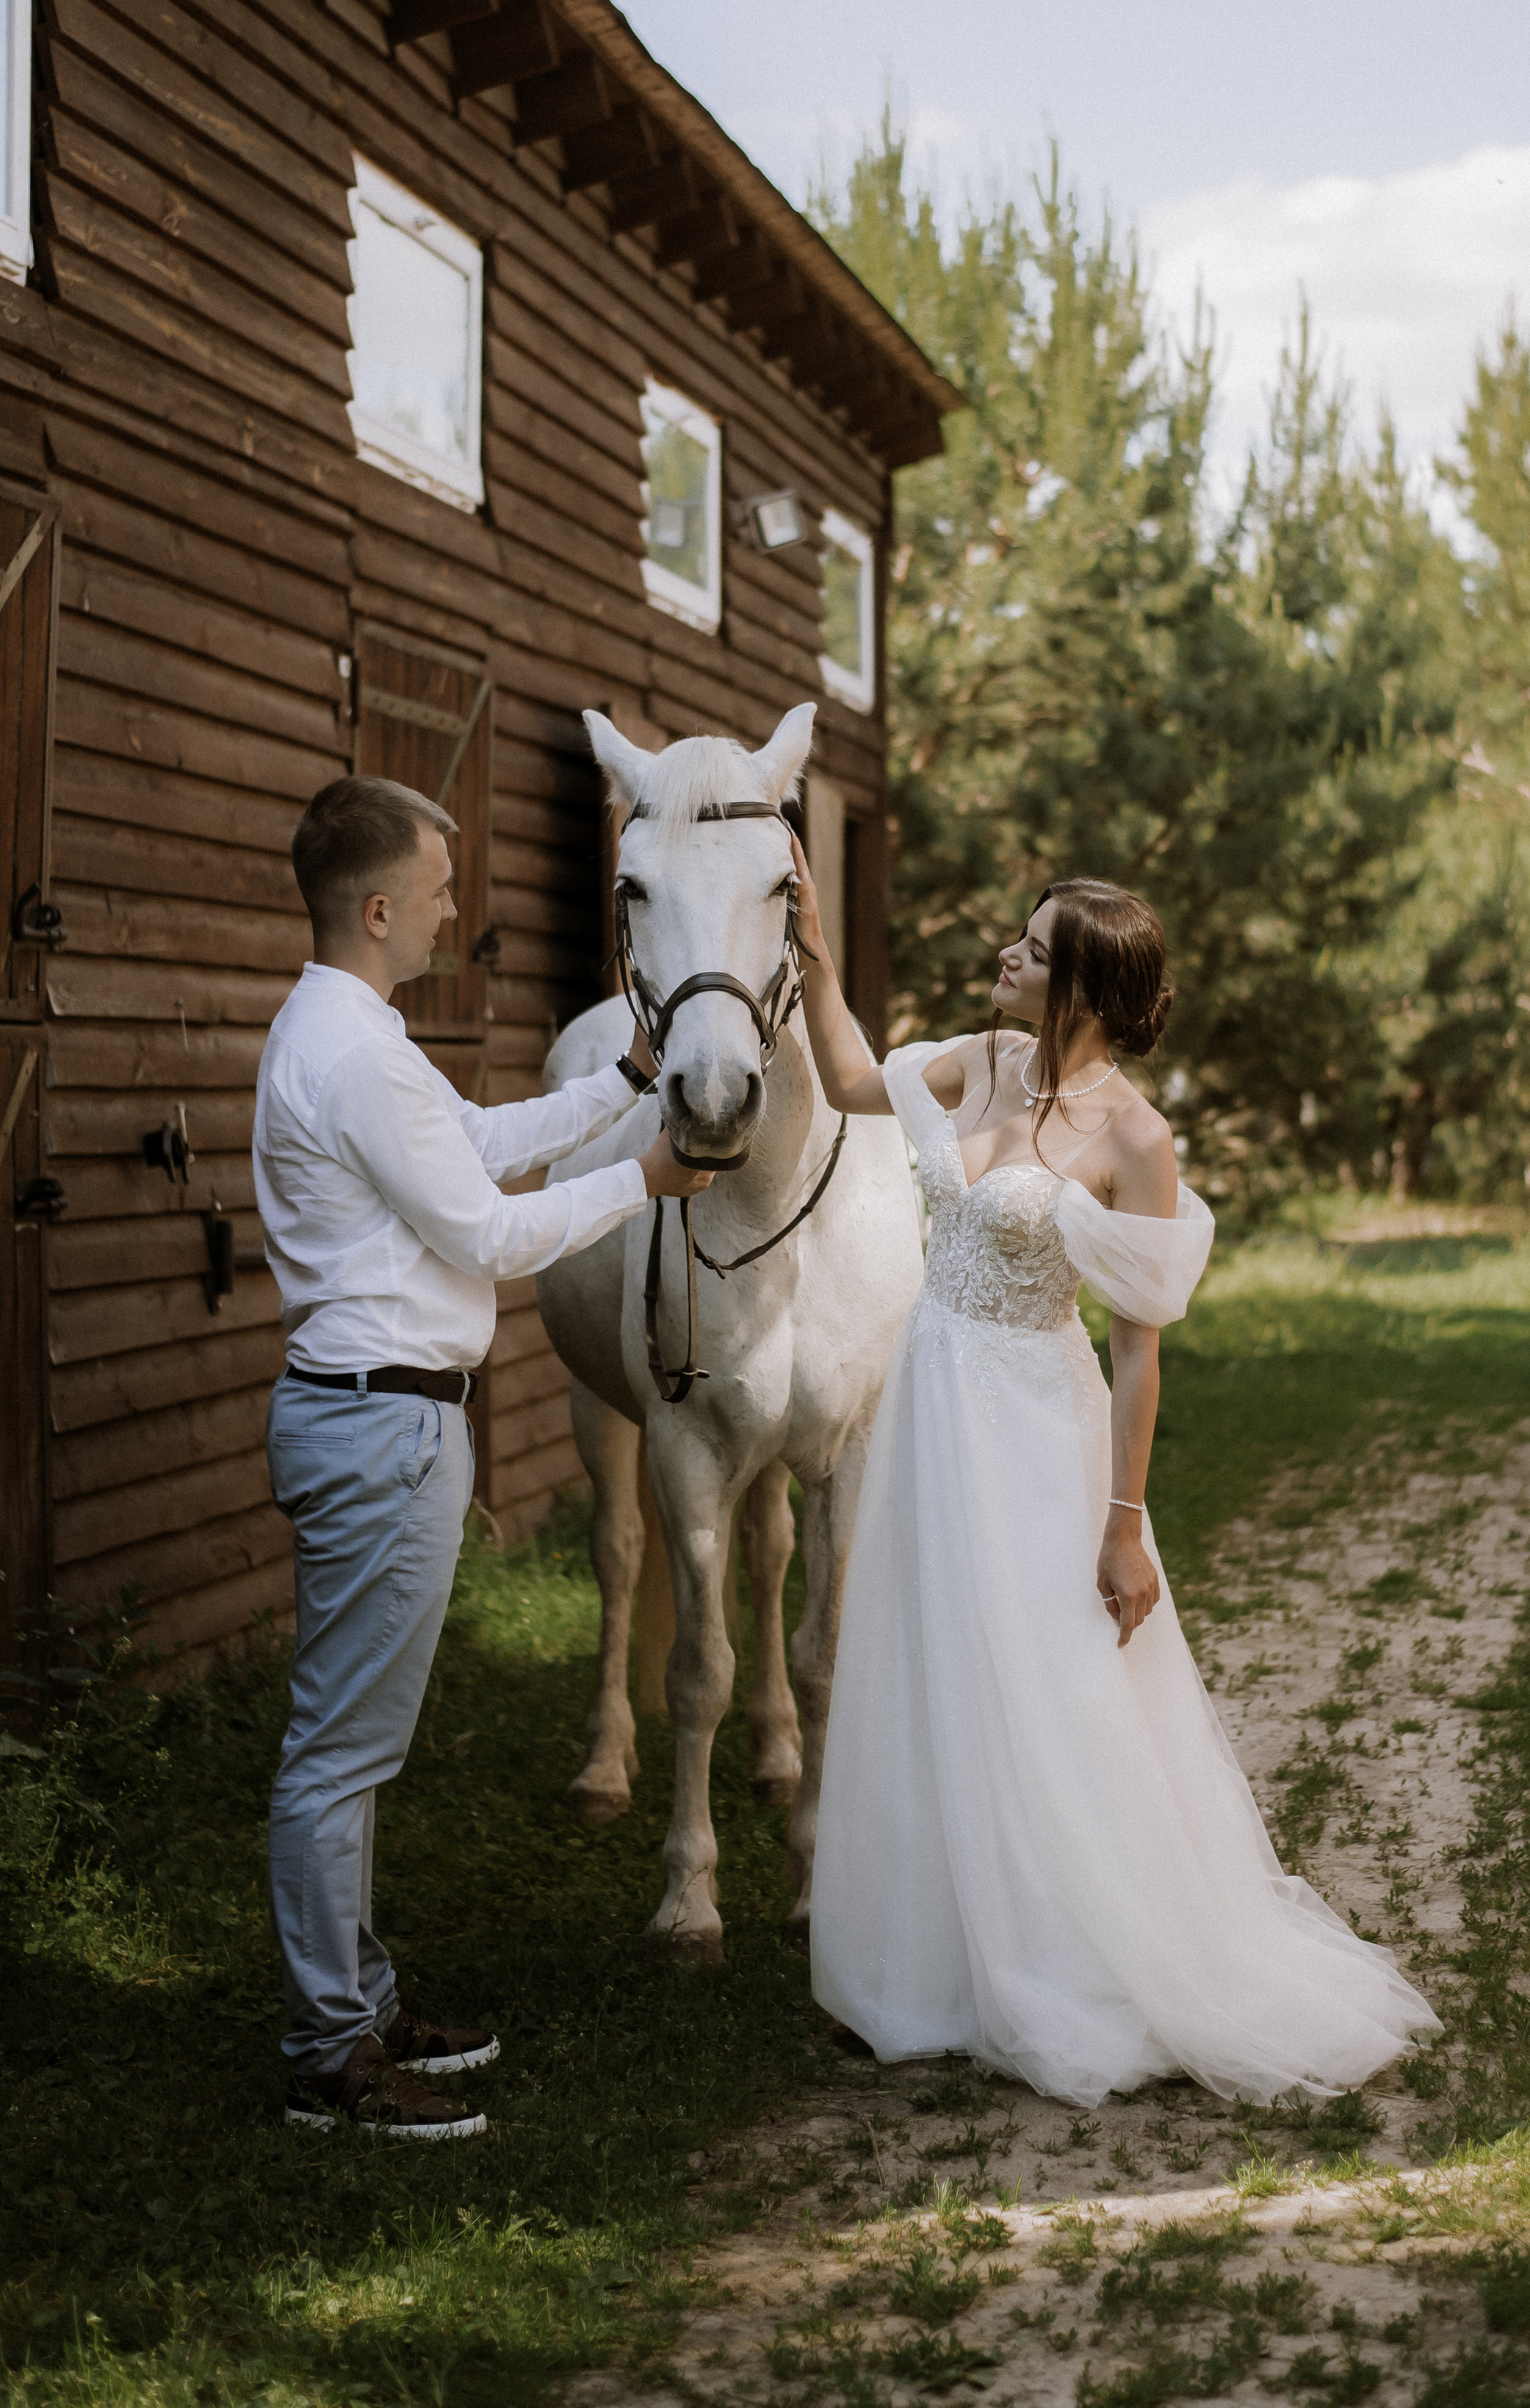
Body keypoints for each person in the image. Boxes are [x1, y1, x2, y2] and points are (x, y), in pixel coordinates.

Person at [793, 856, 1439, 2106]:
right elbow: (849, 1080)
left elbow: (1137, 1356)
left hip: (1038, 1426)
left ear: (1085, 980)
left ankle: (1080, 1954)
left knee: (1053, 1678)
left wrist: (1125, 1525)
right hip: (934, 1403)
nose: (1006, 959)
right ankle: (938, 1965)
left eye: (1032, 950)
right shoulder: (977, 1063)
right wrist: (817, 956)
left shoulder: (1139, 1138)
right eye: (1017, 944)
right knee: (939, 1661)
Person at [255, 776, 709, 2138]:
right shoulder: (347, 1052)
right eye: (442, 889)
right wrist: (646, 1179)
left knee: (355, 1745)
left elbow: (479, 1146)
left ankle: (363, 2001)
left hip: (386, 1415)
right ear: (380, 906)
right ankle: (331, 2057)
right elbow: (490, 1234)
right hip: (380, 1419)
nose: (461, 908)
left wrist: (620, 1089)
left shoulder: (358, 1036)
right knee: (337, 1753)